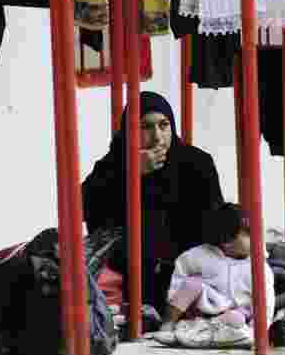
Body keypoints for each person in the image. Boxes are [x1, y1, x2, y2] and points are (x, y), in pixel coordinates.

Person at [82, 91, 225, 311]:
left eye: (163, 125)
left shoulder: (197, 163)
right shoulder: (113, 163)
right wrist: (130, 173)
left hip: (186, 270)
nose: (157, 136)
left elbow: (215, 223)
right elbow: (86, 209)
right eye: (146, 127)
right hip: (130, 268)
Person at [150, 203, 275, 345]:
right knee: (192, 284)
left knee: (236, 318)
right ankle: (168, 325)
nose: (256, 239)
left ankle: (199, 330)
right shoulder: (198, 256)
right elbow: (179, 278)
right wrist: (177, 303)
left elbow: (266, 300)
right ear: (227, 241)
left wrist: (257, 329)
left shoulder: (259, 266)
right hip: (201, 307)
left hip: (232, 315)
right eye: (248, 234)